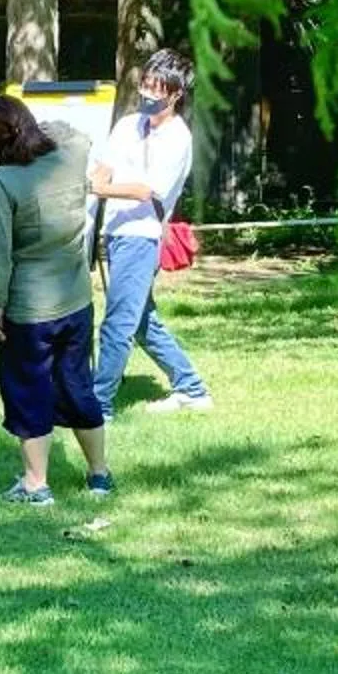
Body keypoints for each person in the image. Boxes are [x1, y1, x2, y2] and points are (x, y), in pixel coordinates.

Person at [0, 93, 111, 505]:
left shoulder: (1, 182)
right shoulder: (70, 155)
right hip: (75, 299)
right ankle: (99, 474)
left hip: (28, 308)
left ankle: (36, 484)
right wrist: (36, 129)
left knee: (28, 391)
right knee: (77, 385)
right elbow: (74, 132)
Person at [89, 49, 215, 416]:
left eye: (157, 88)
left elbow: (146, 190)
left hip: (142, 237)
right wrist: (98, 182)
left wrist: (99, 188)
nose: (148, 93)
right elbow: (103, 167)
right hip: (115, 232)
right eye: (145, 84)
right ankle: (191, 389)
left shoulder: (178, 138)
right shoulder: (127, 125)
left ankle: (98, 407)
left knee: (118, 324)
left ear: (176, 94)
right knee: (141, 320)